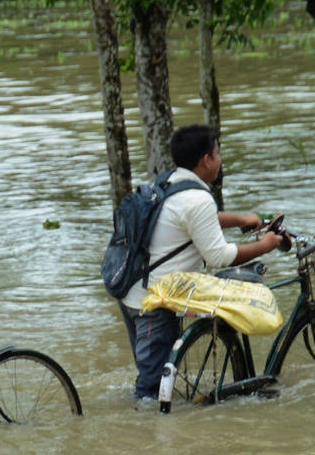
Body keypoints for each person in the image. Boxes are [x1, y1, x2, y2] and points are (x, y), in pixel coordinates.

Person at [119, 125, 284, 402]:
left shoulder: (167, 181)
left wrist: (241, 219)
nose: (220, 160)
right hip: (155, 301)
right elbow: (218, 257)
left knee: (152, 381)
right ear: (206, 159)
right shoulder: (198, 198)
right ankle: (147, 438)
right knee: (150, 394)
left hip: (132, 291)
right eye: (217, 153)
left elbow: (191, 221)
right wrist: (264, 246)